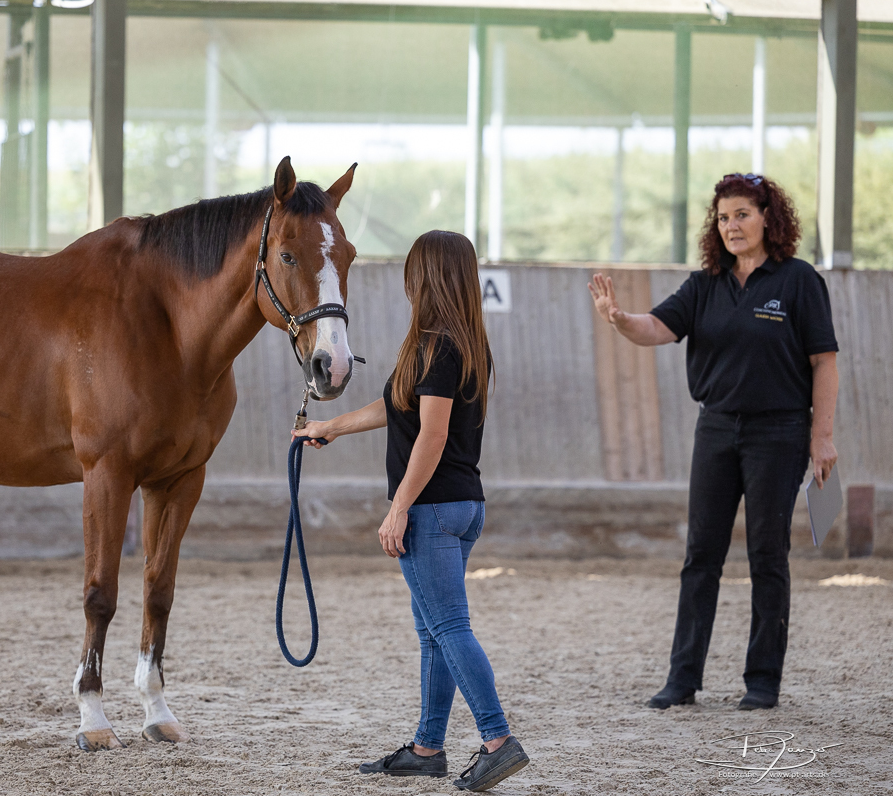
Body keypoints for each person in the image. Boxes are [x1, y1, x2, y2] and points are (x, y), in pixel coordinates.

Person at [588, 172, 839, 711]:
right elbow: (655, 328)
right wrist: (619, 319)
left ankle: (762, 682)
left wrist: (822, 438)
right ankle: (683, 680)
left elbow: (824, 361)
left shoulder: (798, 280)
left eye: (742, 214)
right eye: (724, 217)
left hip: (780, 432)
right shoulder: (705, 284)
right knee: (701, 554)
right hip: (717, 428)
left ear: (769, 217)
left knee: (768, 554)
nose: (732, 226)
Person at [293, 230, 528, 791]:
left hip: (433, 508)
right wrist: (330, 426)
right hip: (461, 504)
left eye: (411, 268)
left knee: (448, 627)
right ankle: (428, 747)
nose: (405, 278)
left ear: (423, 276)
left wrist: (399, 506)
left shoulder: (438, 344)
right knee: (435, 633)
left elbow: (432, 434)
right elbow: (395, 404)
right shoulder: (453, 342)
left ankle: (497, 740)